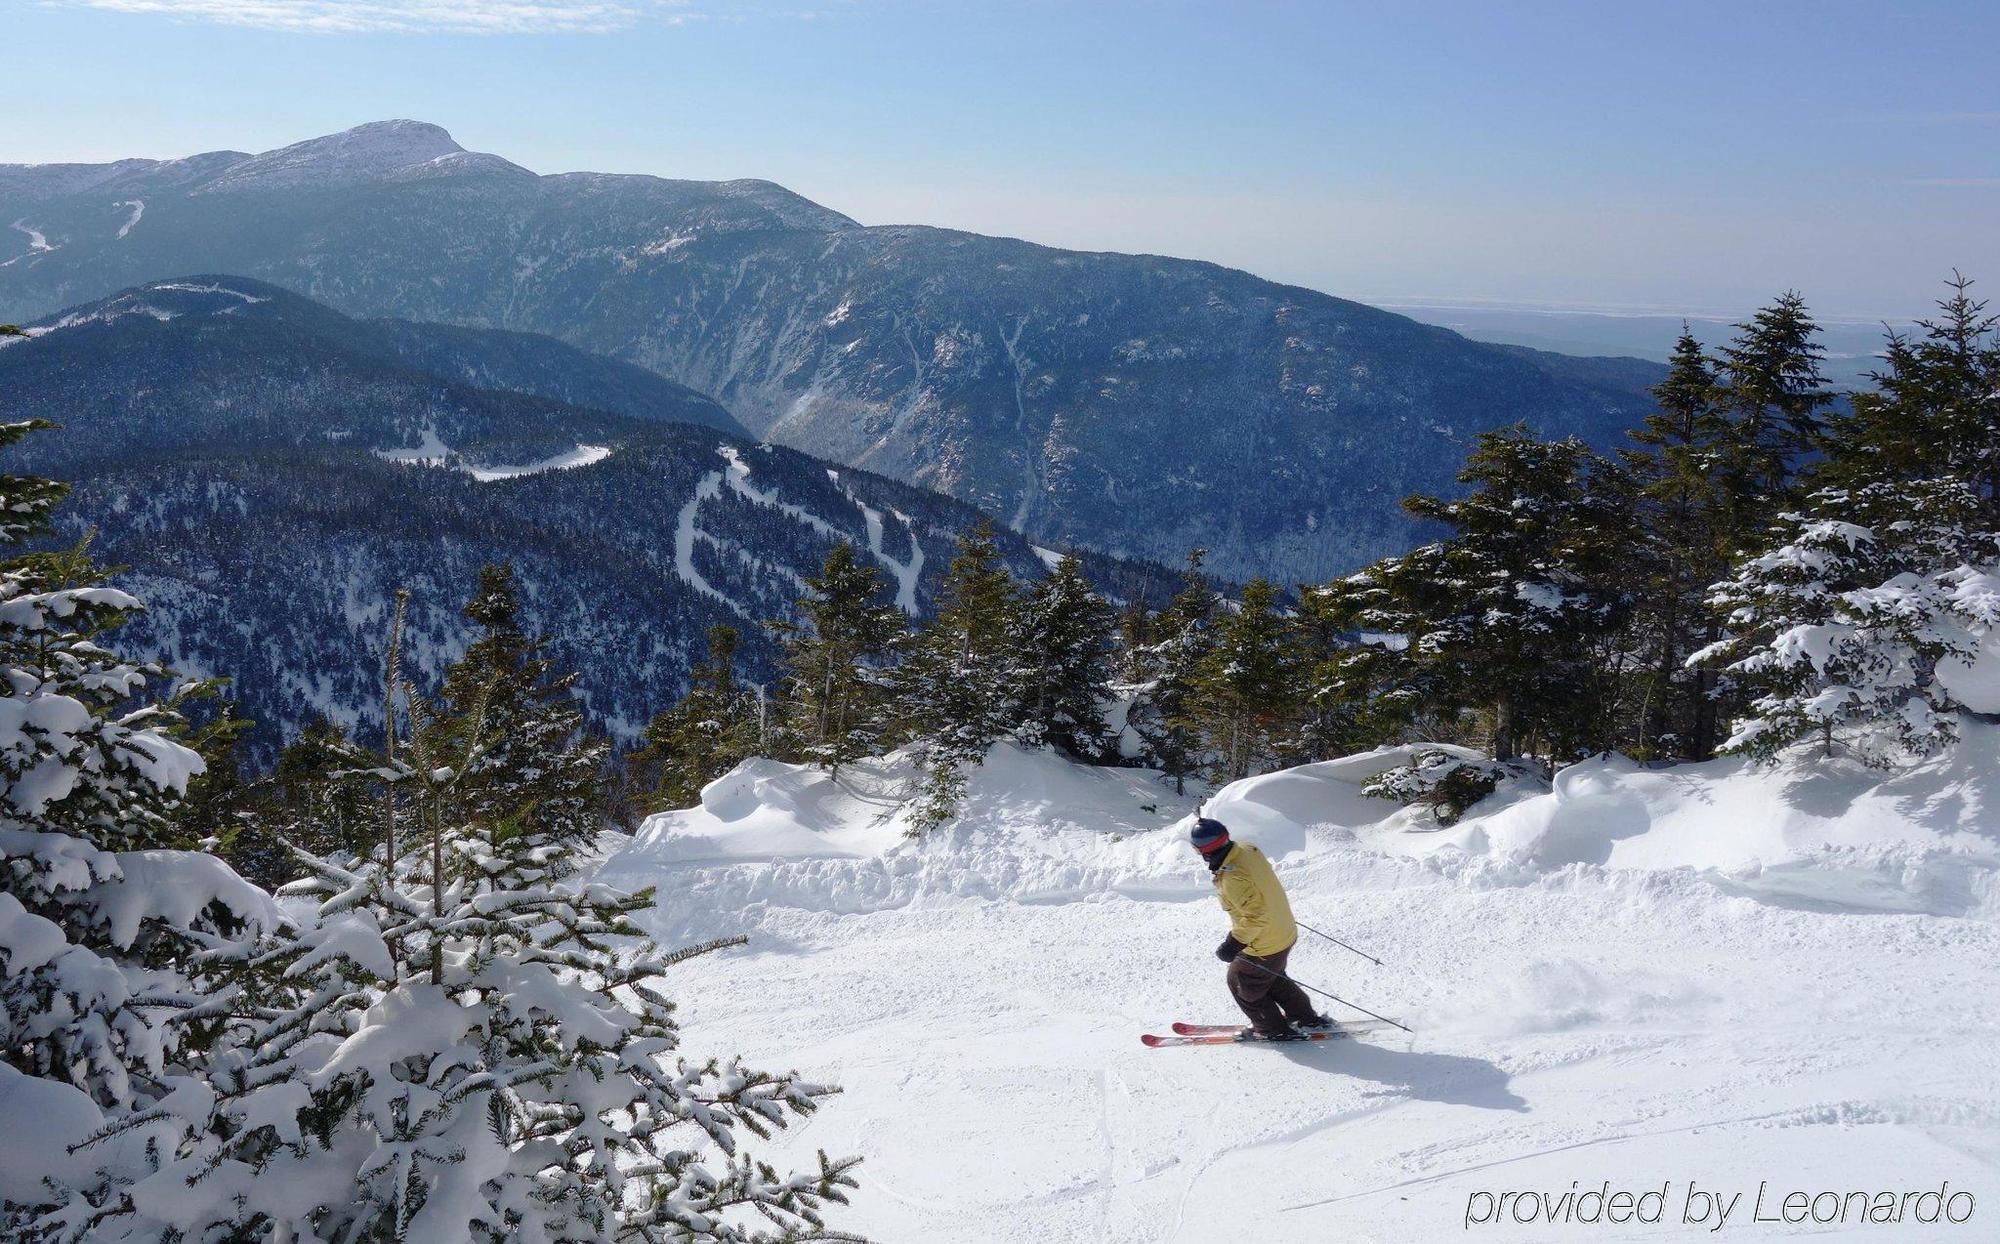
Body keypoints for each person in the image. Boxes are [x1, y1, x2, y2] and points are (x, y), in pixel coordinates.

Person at [1191, 816, 1331, 1040]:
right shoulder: (1247, 850)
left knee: (1240, 982)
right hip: (1283, 929)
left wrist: (1232, 944)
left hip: (1266, 941)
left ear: (1204, 850)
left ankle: (1272, 1029)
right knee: (1271, 977)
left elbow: (1256, 916)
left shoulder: (1232, 877)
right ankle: (1303, 1015)